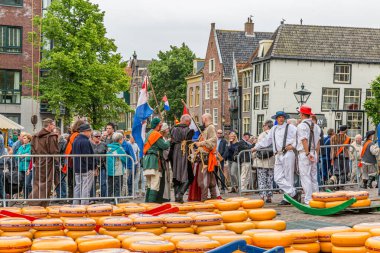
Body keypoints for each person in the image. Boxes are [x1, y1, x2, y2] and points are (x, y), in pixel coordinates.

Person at [253, 112, 300, 205]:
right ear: (276, 119)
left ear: (285, 118)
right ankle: (293, 192)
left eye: (282, 117)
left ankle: (287, 198)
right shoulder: (274, 129)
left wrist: (293, 146)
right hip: (277, 154)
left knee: (288, 176)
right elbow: (266, 140)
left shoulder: (291, 127)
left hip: (288, 153)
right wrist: (256, 147)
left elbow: (300, 137)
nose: (281, 119)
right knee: (277, 177)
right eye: (279, 117)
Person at [29, 118, 59, 206]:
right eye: (53, 124)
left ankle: (34, 201)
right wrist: (58, 163)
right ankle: (42, 203)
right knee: (47, 182)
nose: (54, 126)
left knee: (37, 182)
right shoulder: (51, 136)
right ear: (49, 125)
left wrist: (34, 161)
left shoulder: (35, 136)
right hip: (48, 162)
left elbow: (33, 150)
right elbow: (54, 151)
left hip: (38, 161)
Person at [296, 105, 321, 204]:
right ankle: (317, 196)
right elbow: (318, 142)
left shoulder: (301, 126)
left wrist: (307, 153)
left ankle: (308, 199)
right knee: (314, 176)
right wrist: (316, 154)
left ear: (302, 114)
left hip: (305, 153)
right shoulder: (316, 126)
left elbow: (304, 140)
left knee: (305, 176)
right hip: (314, 152)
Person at [143, 118, 170, 203]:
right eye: (160, 124)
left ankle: (146, 204)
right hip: (154, 161)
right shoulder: (156, 134)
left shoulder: (148, 133)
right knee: (155, 184)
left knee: (149, 184)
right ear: (157, 125)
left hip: (147, 160)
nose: (160, 126)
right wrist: (169, 141)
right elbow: (164, 146)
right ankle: (151, 205)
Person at [170, 114, 194, 203]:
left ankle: (177, 197)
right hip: (184, 153)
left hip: (174, 154)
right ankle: (180, 194)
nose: (190, 123)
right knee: (189, 176)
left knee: (176, 175)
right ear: (187, 121)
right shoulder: (189, 131)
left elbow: (171, 141)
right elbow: (189, 143)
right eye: (190, 121)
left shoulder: (173, 129)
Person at [194, 113, 218, 201]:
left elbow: (213, 140)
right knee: (210, 180)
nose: (202, 121)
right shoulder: (208, 128)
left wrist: (201, 143)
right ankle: (213, 198)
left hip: (206, 157)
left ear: (205, 119)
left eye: (202, 119)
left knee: (203, 180)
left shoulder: (210, 128)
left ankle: (204, 199)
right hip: (206, 157)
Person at [252, 119, 276, 203]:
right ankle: (269, 196)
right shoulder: (274, 134)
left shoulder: (262, 135)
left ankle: (262, 196)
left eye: (263, 126)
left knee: (262, 178)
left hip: (262, 160)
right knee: (270, 178)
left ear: (266, 126)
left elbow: (258, 145)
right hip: (271, 159)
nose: (263, 127)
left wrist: (253, 154)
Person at [72, 123, 95, 205]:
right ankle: (84, 204)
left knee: (78, 186)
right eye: (89, 131)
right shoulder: (85, 141)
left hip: (77, 167)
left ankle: (75, 204)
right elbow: (88, 156)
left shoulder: (75, 140)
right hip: (86, 168)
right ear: (85, 131)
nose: (90, 133)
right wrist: (92, 167)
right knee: (86, 187)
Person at [63, 119, 85, 198]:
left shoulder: (72, 135)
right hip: (74, 161)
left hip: (69, 160)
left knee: (71, 182)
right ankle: (75, 198)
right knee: (77, 182)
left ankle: (71, 198)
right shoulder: (77, 136)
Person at [106, 132, 127, 199]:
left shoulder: (108, 147)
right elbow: (125, 158)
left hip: (109, 171)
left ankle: (108, 200)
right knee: (118, 187)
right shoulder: (119, 148)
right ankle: (116, 201)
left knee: (110, 186)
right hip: (117, 171)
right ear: (120, 140)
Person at [118, 130, 136, 196]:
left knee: (127, 181)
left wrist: (131, 166)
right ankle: (123, 195)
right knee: (122, 181)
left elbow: (132, 156)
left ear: (123, 137)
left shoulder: (127, 145)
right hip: (119, 166)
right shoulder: (117, 145)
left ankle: (128, 194)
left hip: (127, 166)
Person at [90, 130, 108, 198]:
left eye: (99, 136)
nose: (98, 137)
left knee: (103, 183)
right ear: (92, 137)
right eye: (96, 136)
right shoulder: (90, 144)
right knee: (92, 183)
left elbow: (107, 154)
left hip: (102, 166)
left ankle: (103, 198)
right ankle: (92, 198)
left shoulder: (104, 144)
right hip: (92, 167)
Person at [16, 133, 32, 198]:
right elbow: (17, 156)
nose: (23, 139)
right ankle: (25, 198)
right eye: (23, 138)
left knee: (27, 184)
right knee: (22, 183)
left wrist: (22, 155)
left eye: (25, 138)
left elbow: (29, 157)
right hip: (21, 167)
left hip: (27, 167)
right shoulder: (21, 146)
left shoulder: (31, 147)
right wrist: (24, 155)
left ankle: (29, 197)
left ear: (29, 139)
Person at [158, 123, 171, 203]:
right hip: (162, 161)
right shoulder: (161, 139)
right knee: (163, 180)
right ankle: (163, 197)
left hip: (165, 161)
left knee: (166, 179)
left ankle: (166, 196)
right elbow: (164, 149)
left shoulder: (164, 138)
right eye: (167, 129)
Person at [53, 127, 67, 200]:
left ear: (59, 133)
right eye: (53, 133)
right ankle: (58, 196)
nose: (55, 134)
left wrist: (61, 164)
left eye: (56, 133)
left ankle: (63, 196)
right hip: (54, 164)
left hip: (61, 164)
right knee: (56, 180)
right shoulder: (53, 141)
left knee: (62, 180)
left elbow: (64, 154)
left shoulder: (63, 142)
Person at [216, 129, 228, 194]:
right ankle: (216, 187)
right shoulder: (214, 140)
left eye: (220, 133)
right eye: (218, 133)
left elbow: (226, 150)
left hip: (220, 159)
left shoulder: (224, 141)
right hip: (214, 159)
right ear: (216, 133)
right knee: (215, 174)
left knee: (221, 174)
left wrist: (222, 158)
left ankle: (223, 188)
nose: (219, 134)